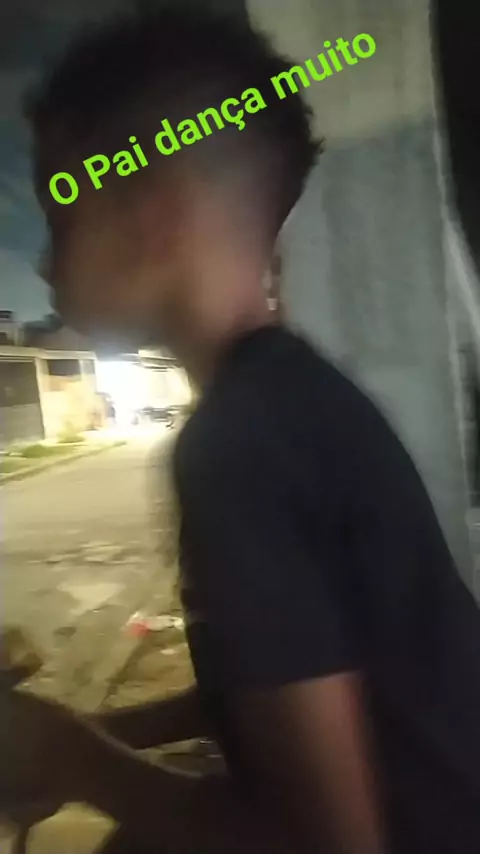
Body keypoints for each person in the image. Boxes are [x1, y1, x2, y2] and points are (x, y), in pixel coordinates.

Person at [2, 6, 480, 854]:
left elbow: (329, 844)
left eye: (63, 212)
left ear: (151, 217)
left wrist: (73, 758)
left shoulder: (237, 450)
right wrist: (98, 732)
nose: (44, 261)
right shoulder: (293, 401)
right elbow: (265, 688)